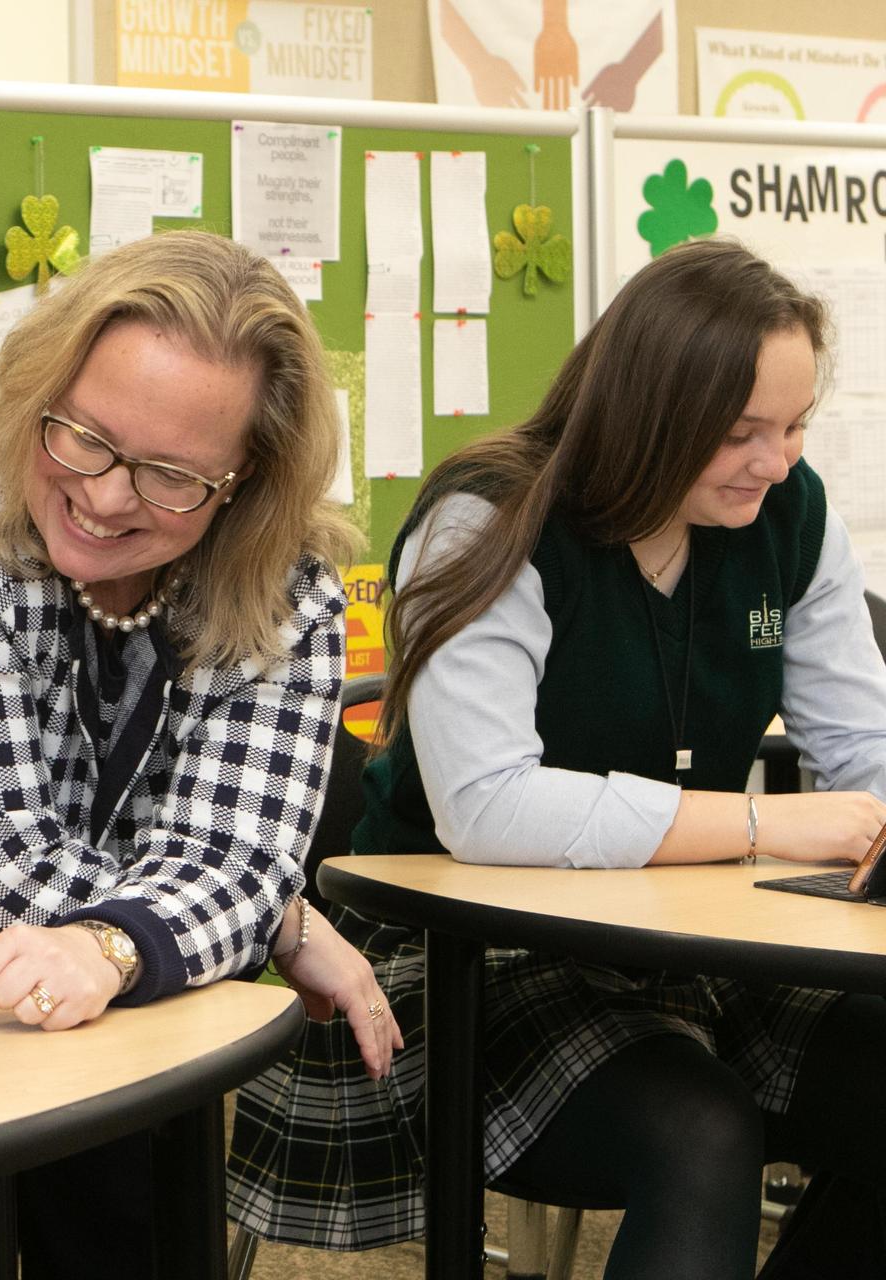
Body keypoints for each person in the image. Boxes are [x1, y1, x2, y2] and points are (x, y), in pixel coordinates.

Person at [228, 238, 886, 1278]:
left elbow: (867, 749)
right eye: (741, 432)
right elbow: (490, 806)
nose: (780, 460)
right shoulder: (492, 512)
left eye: (797, 425)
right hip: (463, 951)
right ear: (647, 413)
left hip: (686, 941)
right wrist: (763, 822)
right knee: (699, 1126)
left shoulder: (788, 517)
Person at [0, 230, 400, 1277]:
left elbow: (238, 851)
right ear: (44, 386)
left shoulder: (286, 580)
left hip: (114, 936)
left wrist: (178, 923)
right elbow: (7, 872)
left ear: (243, 476)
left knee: (135, 1220)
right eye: (83, 436)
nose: (109, 496)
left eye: (170, 475)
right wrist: (262, 915)